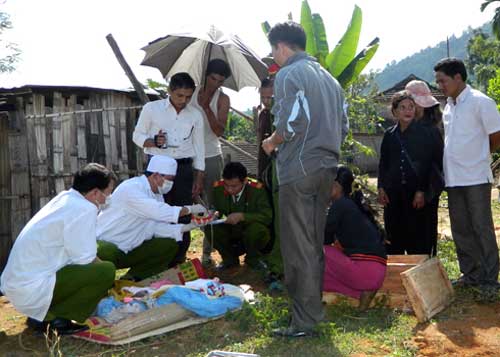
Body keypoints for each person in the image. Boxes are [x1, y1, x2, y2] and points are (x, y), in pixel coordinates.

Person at [261, 21, 348, 337]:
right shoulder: (330, 79)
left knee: (298, 247)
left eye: (273, 50)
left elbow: (290, 123)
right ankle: (312, 313)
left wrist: (272, 142)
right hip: (326, 168)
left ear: (281, 47)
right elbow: (344, 126)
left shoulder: (288, 75)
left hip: (298, 171)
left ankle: (304, 321)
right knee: (313, 244)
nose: (274, 57)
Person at [0, 163, 116, 334]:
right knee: (106, 270)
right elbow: (85, 259)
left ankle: (42, 315)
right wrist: (108, 283)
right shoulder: (84, 208)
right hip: (31, 290)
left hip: (20, 285)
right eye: (108, 192)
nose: (109, 197)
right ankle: (57, 320)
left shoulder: (67, 198)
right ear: (95, 193)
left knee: (104, 253)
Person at [434, 57, 500, 293]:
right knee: (460, 228)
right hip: (454, 179)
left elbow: (496, 135)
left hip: (475, 178)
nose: (440, 86)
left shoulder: (481, 102)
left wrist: (480, 156)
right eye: (438, 82)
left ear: (458, 77)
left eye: (443, 81)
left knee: (481, 227)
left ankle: (490, 280)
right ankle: (470, 274)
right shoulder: (449, 106)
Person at [132, 72, 205, 265]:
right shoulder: (152, 108)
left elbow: (199, 147)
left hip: (183, 169)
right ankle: (158, 258)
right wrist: (153, 141)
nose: (184, 100)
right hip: (157, 169)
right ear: (169, 91)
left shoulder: (195, 114)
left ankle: (179, 259)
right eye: (180, 95)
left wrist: (199, 177)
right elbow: (137, 135)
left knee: (183, 213)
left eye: (188, 96)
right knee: (158, 212)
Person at [97, 155, 208, 281]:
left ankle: (133, 279)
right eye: (169, 180)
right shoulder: (131, 189)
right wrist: (191, 209)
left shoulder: (156, 195)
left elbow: (156, 228)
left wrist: (189, 226)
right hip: (107, 247)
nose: (170, 184)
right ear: (155, 176)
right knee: (106, 251)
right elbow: (160, 212)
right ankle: (103, 283)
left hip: (130, 247)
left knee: (168, 244)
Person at [378, 91, 438, 255]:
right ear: (395, 111)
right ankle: (397, 275)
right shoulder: (389, 135)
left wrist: (421, 191)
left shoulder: (423, 133)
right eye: (403, 107)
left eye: (411, 107)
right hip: (393, 194)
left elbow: (426, 165)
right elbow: (384, 163)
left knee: (417, 238)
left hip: (415, 195)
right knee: (394, 236)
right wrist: (381, 187)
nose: (408, 111)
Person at [323, 167, 387, 311]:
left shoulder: (340, 205)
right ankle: (362, 293)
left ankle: (360, 291)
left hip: (364, 272)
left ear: (335, 186)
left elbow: (323, 240)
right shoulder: (354, 205)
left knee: (315, 250)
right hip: (377, 274)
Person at [188, 59, 231, 266]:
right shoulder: (189, 92)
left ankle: (207, 254)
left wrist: (206, 108)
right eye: (213, 78)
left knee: (212, 206)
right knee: (188, 202)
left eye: (220, 81)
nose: (216, 84)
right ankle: (180, 251)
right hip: (188, 155)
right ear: (206, 75)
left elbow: (220, 131)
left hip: (212, 155)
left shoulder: (223, 99)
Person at [207, 162, 272, 271]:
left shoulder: (257, 190)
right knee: (210, 228)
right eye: (226, 185)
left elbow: (267, 216)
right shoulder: (218, 188)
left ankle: (253, 259)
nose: (229, 189)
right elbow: (216, 208)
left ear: (245, 181)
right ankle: (229, 260)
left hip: (250, 231)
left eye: (234, 186)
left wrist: (243, 216)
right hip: (231, 230)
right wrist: (213, 214)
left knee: (257, 230)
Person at [405, 80, 444, 256]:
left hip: (426, 190)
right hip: (416, 189)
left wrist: (421, 190)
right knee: (414, 231)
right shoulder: (413, 127)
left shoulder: (428, 130)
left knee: (424, 234)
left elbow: (428, 163)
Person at [255, 77, 275, 181]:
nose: (265, 101)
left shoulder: (280, 115)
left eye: (269, 97)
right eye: (263, 97)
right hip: (264, 165)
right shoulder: (263, 114)